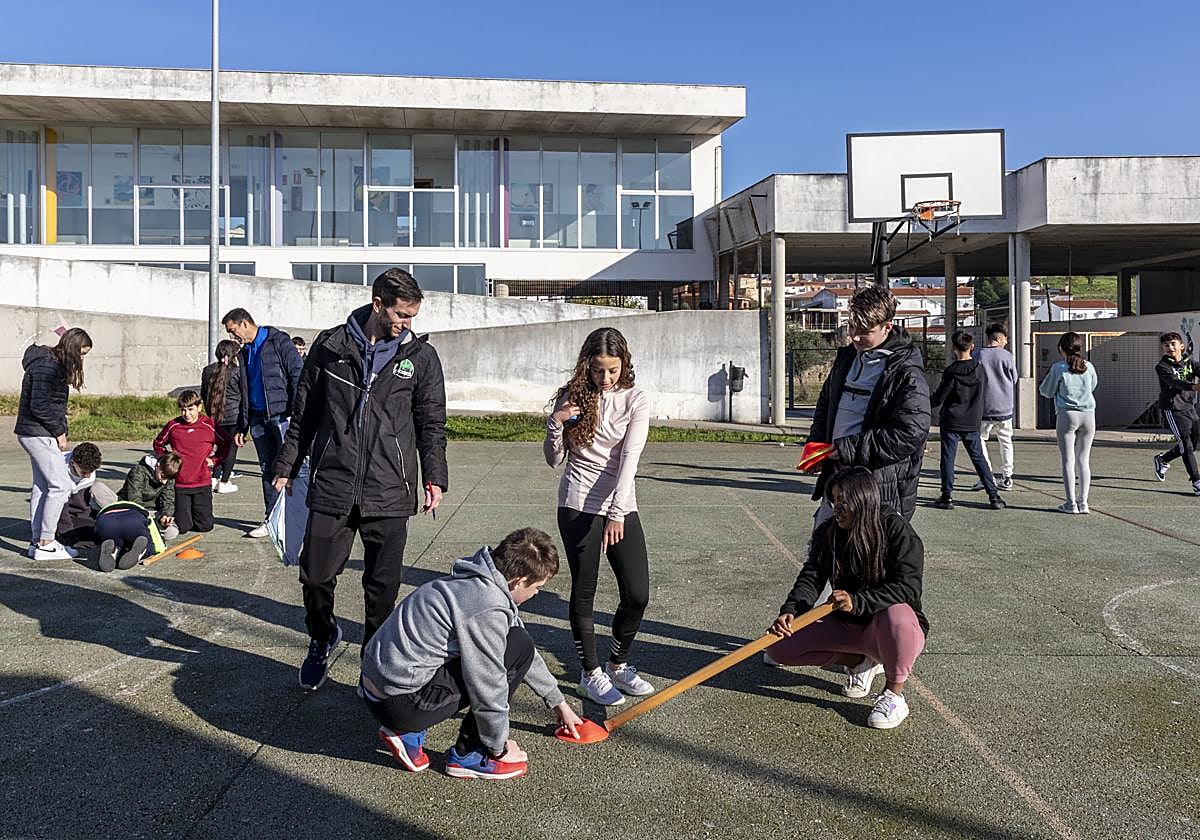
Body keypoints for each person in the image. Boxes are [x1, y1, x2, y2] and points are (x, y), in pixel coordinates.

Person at [273, 268, 448, 691]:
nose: (408, 323)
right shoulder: (330, 347)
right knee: (314, 576)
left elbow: (431, 424)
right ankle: (322, 636)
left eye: (412, 316)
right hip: (333, 481)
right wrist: (286, 465)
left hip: (390, 488)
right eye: (401, 314)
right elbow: (306, 413)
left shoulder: (420, 357)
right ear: (378, 305)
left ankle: (374, 659)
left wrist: (434, 477)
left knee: (382, 587)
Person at [360, 527, 583, 779]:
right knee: (511, 651)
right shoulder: (486, 606)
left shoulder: (477, 578)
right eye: (537, 586)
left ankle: (408, 730)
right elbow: (489, 683)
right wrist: (498, 747)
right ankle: (470, 754)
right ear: (518, 580)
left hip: (375, 688)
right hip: (398, 703)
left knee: (515, 643)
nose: (537, 593)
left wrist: (558, 703)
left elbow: (521, 645)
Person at [767, 467, 929, 730]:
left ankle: (894, 694)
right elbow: (813, 575)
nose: (837, 509)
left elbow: (908, 588)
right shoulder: (828, 532)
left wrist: (859, 601)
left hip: (890, 626)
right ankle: (858, 661)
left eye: (844, 502)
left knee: (897, 614)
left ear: (864, 500)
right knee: (778, 647)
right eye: (834, 501)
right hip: (849, 625)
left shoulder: (897, 530)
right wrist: (792, 611)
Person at [544, 326, 654, 707]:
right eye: (597, 371)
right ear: (586, 366)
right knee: (585, 588)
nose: (605, 378)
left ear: (624, 363)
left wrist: (618, 512)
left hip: (620, 505)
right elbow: (554, 459)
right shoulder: (572, 396)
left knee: (637, 593)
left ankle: (618, 664)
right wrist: (555, 423)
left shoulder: (636, 399)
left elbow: (630, 460)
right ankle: (590, 672)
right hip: (577, 505)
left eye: (612, 370)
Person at [807, 285, 931, 523]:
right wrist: (818, 446)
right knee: (823, 550)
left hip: (877, 489)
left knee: (867, 556)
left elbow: (910, 433)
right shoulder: (846, 358)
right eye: (852, 327)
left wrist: (846, 448)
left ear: (887, 327)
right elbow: (825, 405)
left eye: (865, 331)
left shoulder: (906, 372)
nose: (855, 336)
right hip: (837, 482)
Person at [222, 307, 303, 537]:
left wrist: (297, 413)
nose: (232, 336)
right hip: (258, 419)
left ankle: (297, 518)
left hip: (281, 417)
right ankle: (272, 520)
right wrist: (242, 425)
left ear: (245, 323)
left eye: (233, 330)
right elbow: (245, 390)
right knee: (268, 470)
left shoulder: (279, 342)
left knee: (290, 470)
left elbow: (298, 375)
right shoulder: (245, 352)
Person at [15, 327, 93, 560]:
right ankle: (46, 542)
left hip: (38, 432)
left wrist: (61, 430)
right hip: (37, 432)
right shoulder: (47, 365)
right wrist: (59, 432)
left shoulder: (53, 363)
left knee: (43, 486)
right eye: (82, 352)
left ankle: (38, 542)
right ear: (71, 347)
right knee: (60, 486)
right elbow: (38, 405)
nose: (82, 358)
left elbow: (54, 404)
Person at [931, 331, 1005, 511]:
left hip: (952, 419)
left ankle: (947, 495)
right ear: (971, 346)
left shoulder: (951, 371)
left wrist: (924, 401)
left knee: (948, 458)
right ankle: (993, 495)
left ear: (954, 348)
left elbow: (940, 398)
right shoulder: (980, 369)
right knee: (979, 458)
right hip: (972, 420)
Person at [152, 390, 229, 534]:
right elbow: (158, 443)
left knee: (205, 526)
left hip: (202, 482)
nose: (186, 414)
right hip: (180, 485)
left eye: (190, 409)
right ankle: (162, 515)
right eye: (183, 410)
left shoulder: (209, 425)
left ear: (199, 407)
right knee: (182, 527)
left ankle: (197, 515)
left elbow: (227, 443)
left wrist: (215, 460)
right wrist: (166, 459)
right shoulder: (173, 426)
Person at [1039, 332, 1098, 514]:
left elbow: (1046, 391)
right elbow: (1093, 386)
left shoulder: (1058, 368)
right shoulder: (1089, 366)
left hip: (1067, 414)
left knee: (1068, 459)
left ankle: (1070, 502)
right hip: (1089, 415)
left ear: (1061, 349)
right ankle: (1084, 502)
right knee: (1084, 460)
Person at [98, 452, 183, 572]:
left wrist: (165, 516)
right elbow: (134, 500)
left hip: (151, 513)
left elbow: (168, 502)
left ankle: (120, 545)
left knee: (172, 532)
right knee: (97, 488)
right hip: (127, 507)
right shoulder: (138, 471)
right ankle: (139, 543)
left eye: (168, 479)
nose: (164, 482)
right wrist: (149, 521)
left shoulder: (168, 477)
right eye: (163, 476)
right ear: (157, 465)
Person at [1152, 331, 1200, 494]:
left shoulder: (1191, 363)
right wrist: (1194, 386)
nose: (1170, 347)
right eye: (1166, 345)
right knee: (1185, 443)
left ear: (1181, 346)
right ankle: (1196, 481)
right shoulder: (1162, 366)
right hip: (1172, 409)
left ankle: (1163, 459)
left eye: (1173, 344)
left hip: (1189, 407)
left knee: (1193, 443)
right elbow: (1174, 382)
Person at [972, 323, 1017, 491]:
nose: (1006, 342)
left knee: (981, 441)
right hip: (1005, 407)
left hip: (983, 407)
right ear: (998, 338)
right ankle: (1007, 477)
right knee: (1005, 441)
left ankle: (986, 475)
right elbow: (1014, 379)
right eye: (1005, 339)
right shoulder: (1008, 356)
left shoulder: (977, 355)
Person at [55, 442, 117, 549]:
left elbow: (83, 503)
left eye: (91, 472)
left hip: (78, 512)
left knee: (105, 528)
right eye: (84, 472)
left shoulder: (89, 467)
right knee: (94, 535)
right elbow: (58, 507)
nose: (88, 476)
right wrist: (71, 540)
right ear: (73, 463)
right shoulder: (58, 469)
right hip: (57, 513)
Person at [201, 339, 243, 494]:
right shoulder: (238, 372)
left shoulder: (207, 370)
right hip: (234, 416)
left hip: (214, 415)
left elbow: (204, 394)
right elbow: (244, 395)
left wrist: (209, 413)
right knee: (232, 448)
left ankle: (213, 478)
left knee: (219, 446)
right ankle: (224, 481)